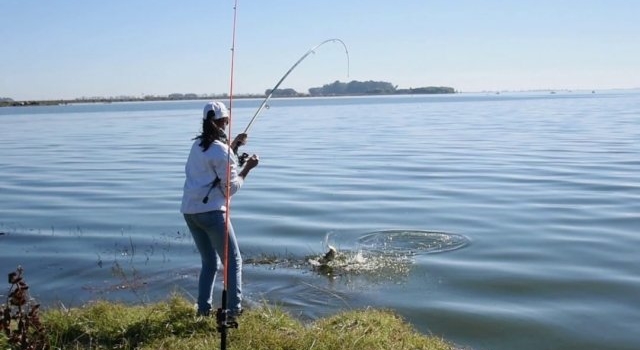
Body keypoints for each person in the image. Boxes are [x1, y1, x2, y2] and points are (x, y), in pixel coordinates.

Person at [180, 101, 259, 317]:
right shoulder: (221, 151)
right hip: (212, 213)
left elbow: (215, 160)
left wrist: (234, 146)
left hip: (189, 212)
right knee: (233, 262)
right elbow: (230, 189)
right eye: (227, 120)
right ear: (224, 121)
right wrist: (247, 169)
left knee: (209, 262)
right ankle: (234, 311)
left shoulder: (197, 145)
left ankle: (203, 310)